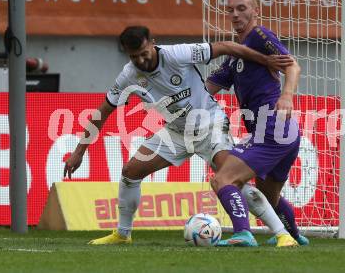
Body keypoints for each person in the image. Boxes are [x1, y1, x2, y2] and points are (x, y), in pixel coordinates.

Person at [64, 25, 295, 246]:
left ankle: (282, 234)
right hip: (176, 131)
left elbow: (225, 46)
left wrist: (265, 60)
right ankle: (122, 234)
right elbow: (103, 111)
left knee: (231, 178)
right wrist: (79, 152)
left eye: (144, 53)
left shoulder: (177, 54)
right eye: (135, 57)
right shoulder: (128, 76)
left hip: (209, 124)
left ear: (153, 44)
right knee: (130, 172)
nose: (141, 61)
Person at [206, 0, 308, 247]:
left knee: (222, 179)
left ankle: (243, 233)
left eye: (241, 8)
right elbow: (207, 88)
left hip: (271, 126)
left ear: (255, 10)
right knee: (268, 197)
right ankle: (294, 237)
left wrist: (287, 95)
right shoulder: (234, 56)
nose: (235, 14)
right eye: (230, 10)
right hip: (285, 133)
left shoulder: (260, 36)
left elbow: (292, 66)